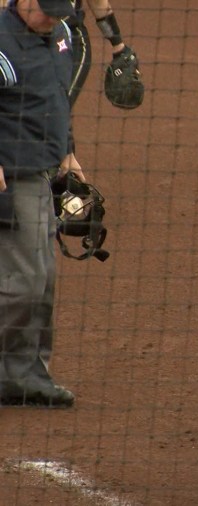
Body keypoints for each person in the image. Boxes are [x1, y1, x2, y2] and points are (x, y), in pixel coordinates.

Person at [0, 0, 85, 408]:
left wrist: (66, 150)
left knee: (42, 279)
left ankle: (28, 374)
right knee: (26, 283)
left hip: (41, 170)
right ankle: (14, 376)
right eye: (46, 10)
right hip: (11, 176)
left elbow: (55, 97)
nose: (53, 19)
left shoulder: (61, 34)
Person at [64, 0, 140, 107]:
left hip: (65, 39)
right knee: (56, 111)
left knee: (54, 111)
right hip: (67, 40)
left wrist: (118, 45)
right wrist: (118, 45)